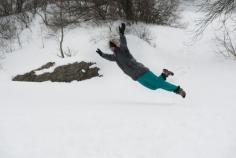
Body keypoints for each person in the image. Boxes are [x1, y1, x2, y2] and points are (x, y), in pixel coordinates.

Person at [96, 23, 186, 98]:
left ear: (115, 45)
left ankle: (178, 90)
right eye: (110, 47)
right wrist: (102, 54)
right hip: (136, 77)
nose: (111, 48)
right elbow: (108, 57)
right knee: (153, 87)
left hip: (141, 71)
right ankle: (164, 74)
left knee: (160, 84)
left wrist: (122, 34)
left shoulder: (123, 50)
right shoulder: (115, 57)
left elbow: (124, 44)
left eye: (112, 46)